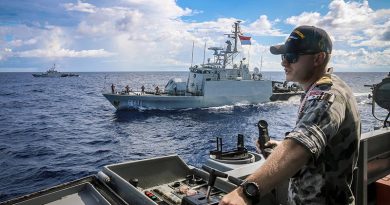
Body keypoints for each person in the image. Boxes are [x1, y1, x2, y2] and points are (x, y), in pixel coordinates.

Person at [219, 26, 360, 205]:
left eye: (292, 57)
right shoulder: (324, 88)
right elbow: (315, 149)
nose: (284, 63)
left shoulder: (327, 96)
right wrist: (280, 148)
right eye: (284, 56)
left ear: (318, 58)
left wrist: (246, 193)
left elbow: (298, 149)